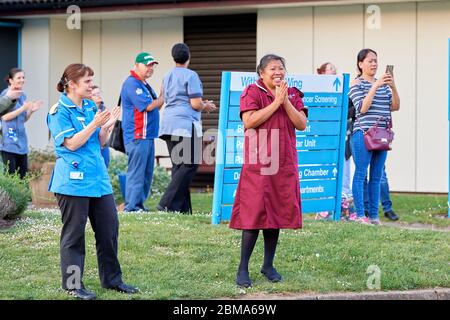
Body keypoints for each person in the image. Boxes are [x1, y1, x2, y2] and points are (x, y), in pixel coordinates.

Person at [47, 63, 138, 300]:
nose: (91, 85)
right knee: (74, 235)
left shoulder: (89, 106)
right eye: (87, 81)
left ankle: (112, 280)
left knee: (109, 230)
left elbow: (99, 142)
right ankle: (73, 285)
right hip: (73, 182)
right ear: (72, 84)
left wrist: (107, 127)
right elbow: (72, 143)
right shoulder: (59, 111)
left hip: (97, 179)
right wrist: (94, 124)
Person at [230, 54, 307, 288]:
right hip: (259, 164)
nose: (278, 72)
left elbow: (301, 124)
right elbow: (249, 121)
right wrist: (275, 103)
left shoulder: (292, 93)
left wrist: (285, 101)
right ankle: (243, 268)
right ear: (261, 73)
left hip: (284, 164)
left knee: (276, 215)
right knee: (253, 216)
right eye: (272, 68)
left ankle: (268, 265)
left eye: (281, 68)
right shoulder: (252, 92)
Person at [157, 43, 216, 214]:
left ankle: (182, 209)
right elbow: (195, 104)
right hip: (185, 124)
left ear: (173, 57)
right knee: (190, 164)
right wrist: (206, 105)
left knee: (178, 166)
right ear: (188, 57)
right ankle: (166, 202)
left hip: (168, 124)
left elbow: (164, 97)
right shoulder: (191, 76)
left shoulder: (167, 76)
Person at [349, 49, 400, 225]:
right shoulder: (356, 83)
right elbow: (362, 108)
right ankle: (361, 215)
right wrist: (375, 86)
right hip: (362, 135)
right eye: (370, 61)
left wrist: (392, 86)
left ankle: (374, 216)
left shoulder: (384, 85)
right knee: (361, 174)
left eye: (376, 61)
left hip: (382, 136)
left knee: (377, 177)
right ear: (360, 64)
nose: (374, 64)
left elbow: (395, 106)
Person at [120, 52, 163, 212]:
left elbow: (155, 105)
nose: (150, 68)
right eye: (147, 65)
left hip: (147, 136)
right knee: (137, 173)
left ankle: (138, 205)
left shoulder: (143, 83)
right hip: (138, 135)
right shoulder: (132, 83)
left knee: (146, 173)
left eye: (152, 65)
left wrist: (160, 98)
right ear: (137, 65)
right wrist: (164, 96)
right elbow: (148, 106)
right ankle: (131, 207)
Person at [0, 68, 43, 179]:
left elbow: (23, 119)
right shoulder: (6, 95)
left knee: (23, 176)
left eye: (23, 77)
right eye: (19, 77)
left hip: (22, 141)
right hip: (9, 142)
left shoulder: (22, 95)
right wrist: (23, 108)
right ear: (11, 81)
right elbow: (5, 117)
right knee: (11, 176)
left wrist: (30, 111)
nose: (22, 80)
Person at [91, 85, 110, 167]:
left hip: (104, 146)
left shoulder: (105, 110)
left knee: (104, 168)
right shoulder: (88, 110)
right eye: (95, 94)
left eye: (99, 93)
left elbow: (109, 127)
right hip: (93, 145)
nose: (99, 95)